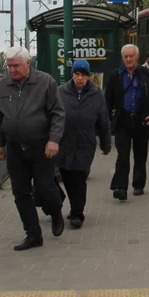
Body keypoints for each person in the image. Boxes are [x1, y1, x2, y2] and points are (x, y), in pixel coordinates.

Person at [0, 46, 66, 251]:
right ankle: (33, 234)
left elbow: (58, 113)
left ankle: (55, 211)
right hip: (15, 148)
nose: (12, 70)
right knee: (20, 192)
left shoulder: (45, 82)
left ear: (28, 64)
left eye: (16, 65)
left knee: (45, 188)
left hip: (41, 146)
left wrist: (54, 139)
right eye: (9, 66)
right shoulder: (2, 86)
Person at [57, 59, 111, 228]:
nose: (79, 78)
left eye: (83, 75)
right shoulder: (61, 92)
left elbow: (104, 121)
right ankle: (72, 205)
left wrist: (105, 143)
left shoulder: (96, 94)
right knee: (66, 176)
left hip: (85, 144)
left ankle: (77, 213)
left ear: (88, 76)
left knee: (79, 178)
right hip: (65, 143)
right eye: (76, 74)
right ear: (72, 75)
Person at [104, 44, 149, 201]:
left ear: (137, 56)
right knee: (122, 155)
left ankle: (138, 184)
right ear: (122, 58)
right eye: (126, 57)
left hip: (142, 120)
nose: (128, 59)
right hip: (123, 120)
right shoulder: (115, 75)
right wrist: (106, 121)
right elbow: (107, 99)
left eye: (131, 56)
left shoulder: (146, 74)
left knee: (140, 154)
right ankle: (121, 187)